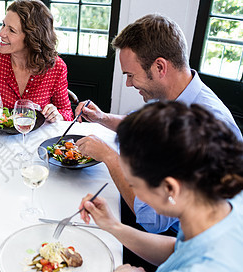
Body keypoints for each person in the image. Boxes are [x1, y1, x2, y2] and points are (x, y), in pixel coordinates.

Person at [74, 14, 242, 233]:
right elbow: (141, 126)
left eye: (131, 75)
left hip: (179, 237)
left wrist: (108, 156)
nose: (128, 83)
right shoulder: (175, 95)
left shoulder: (204, 128)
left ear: (160, 67)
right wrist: (102, 118)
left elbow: (153, 220)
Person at [79, 101, 243, 272]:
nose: (132, 190)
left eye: (133, 184)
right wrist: (113, 226)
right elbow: (180, 250)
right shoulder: (220, 202)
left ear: (170, 188)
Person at [0, 0, 73, 123]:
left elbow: (66, 111)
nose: (1, 33)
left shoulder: (56, 67)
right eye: (3, 25)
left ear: (32, 38)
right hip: (0, 138)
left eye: (12, 30)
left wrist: (58, 115)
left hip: (39, 139)